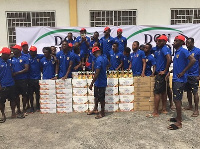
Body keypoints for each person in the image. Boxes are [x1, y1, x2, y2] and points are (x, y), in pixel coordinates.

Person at [166, 35, 195, 130]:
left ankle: (179, 122)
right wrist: (169, 72)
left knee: (177, 100)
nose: (174, 42)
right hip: (175, 79)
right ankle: (177, 117)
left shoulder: (183, 51)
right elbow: (178, 65)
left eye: (176, 41)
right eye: (174, 40)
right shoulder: (177, 52)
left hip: (180, 80)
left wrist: (183, 72)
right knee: (176, 99)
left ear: (181, 42)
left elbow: (193, 60)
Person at [147, 35, 172, 118]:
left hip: (161, 74)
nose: (158, 42)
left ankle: (156, 112)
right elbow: (148, 50)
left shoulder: (164, 48)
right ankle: (164, 109)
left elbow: (169, 59)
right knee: (163, 91)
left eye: (160, 41)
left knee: (157, 92)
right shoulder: (156, 49)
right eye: (157, 40)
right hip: (161, 74)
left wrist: (165, 70)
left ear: (165, 42)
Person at [88, 46, 109, 119]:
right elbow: (109, 65)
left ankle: (102, 112)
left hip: (101, 82)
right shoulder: (104, 58)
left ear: (94, 53)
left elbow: (97, 73)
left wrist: (91, 83)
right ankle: (95, 109)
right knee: (96, 97)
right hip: (99, 81)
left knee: (101, 98)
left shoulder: (98, 60)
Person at [0, 48, 18, 122]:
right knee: (1, 101)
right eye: (8, 55)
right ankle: (3, 114)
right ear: (3, 54)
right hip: (3, 85)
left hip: (11, 84)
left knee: (13, 100)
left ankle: (13, 113)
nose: (9, 56)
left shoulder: (9, 62)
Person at [11, 45, 29, 115]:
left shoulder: (24, 58)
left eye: (15, 49)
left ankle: (24, 108)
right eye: (13, 49)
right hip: (15, 80)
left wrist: (17, 73)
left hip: (23, 79)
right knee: (16, 96)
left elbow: (26, 69)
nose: (13, 51)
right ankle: (18, 109)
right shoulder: (12, 58)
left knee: (24, 95)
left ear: (19, 50)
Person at [184, 38, 200, 117]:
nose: (187, 45)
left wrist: (199, 75)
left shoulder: (198, 51)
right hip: (187, 75)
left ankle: (196, 109)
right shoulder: (186, 52)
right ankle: (190, 105)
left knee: (195, 92)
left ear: (193, 43)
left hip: (194, 75)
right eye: (186, 43)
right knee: (188, 91)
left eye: (189, 43)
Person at [28, 46, 43, 113]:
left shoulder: (39, 57)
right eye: (31, 51)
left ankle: (37, 106)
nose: (32, 52)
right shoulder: (27, 58)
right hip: (30, 79)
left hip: (37, 78)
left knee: (37, 94)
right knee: (30, 94)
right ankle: (31, 107)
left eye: (34, 51)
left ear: (36, 52)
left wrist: (53, 56)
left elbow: (47, 54)